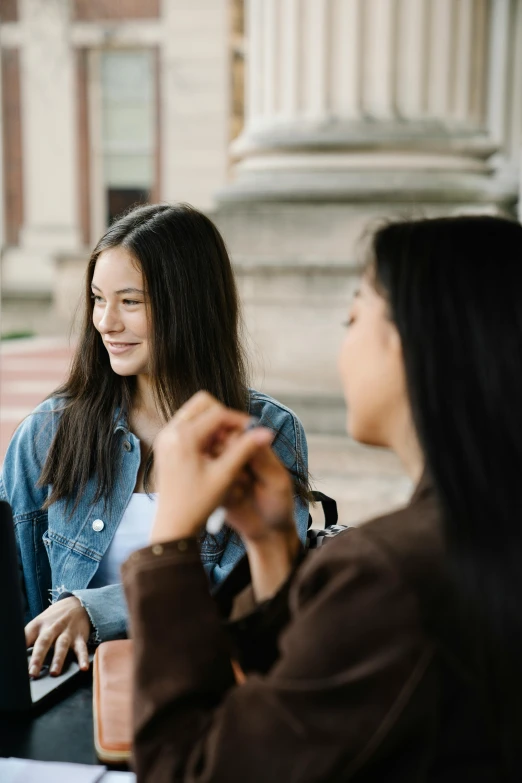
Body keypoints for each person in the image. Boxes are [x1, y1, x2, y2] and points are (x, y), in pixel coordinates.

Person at [122, 215, 522, 782]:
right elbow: (317, 708)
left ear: (420, 343)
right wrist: (270, 546)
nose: (343, 345)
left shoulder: (390, 572)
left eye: (353, 316)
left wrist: (169, 547)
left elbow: (187, 768)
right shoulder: (479, 530)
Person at [0, 203, 310, 678]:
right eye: (98, 299)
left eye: (130, 302)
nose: (105, 322)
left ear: (188, 304)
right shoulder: (46, 433)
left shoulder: (265, 433)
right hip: (61, 697)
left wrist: (92, 608)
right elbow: (12, 590)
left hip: (204, 689)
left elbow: (246, 593)